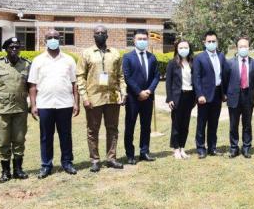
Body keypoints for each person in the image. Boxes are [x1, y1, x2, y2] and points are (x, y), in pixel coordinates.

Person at [28, 29, 79, 179]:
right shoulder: (38, 60)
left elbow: (74, 83)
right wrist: (33, 105)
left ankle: (67, 163)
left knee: (66, 135)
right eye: (49, 37)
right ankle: (46, 165)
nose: (53, 39)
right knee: (46, 136)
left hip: (65, 104)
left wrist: (76, 103)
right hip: (44, 104)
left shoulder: (69, 60)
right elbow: (32, 85)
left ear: (60, 39)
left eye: (55, 37)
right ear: (45, 40)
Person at [76, 26, 126, 173]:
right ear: (93, 36)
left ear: (107, 35)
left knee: (112, 129)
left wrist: (123, 93)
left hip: (112, 97)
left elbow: (120, 76)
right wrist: (84, 97)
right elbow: (80, 77)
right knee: (93, 130)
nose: (100, 35)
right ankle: (95, 160)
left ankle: (111, 158)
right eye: (97, 33)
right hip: (93, 98)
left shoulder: (115, 53)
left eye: (102, 33)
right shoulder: (86, 54)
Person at [0, 37, 31, 183]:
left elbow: (32, 86)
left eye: (17, 47)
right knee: (3, 141)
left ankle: (18, 170)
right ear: (6, 49)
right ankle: (5, 172)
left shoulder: (27, 64)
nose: (14, 49)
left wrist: (33, 104)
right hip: (1, 110)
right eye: (11, 47)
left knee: (19, 140)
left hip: (20, 109)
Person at [122, 29, 161, 165]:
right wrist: (139, 92)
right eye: (140, 39)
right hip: (133, 98)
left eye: (145, 39)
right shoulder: (128, 57)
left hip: (148, 98)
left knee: (146, 126)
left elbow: (156, 76)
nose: (143, 41)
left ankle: (144, 152)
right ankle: (130, 154)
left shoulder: (152, 57)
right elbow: (128, 77)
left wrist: (149, 91)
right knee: (130, 126)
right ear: (134, 40)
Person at [192, 30, 227, 158]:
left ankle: (212, 147)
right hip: (204, 96)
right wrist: (199, 94)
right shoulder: (199, 58)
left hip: (218, 94)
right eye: (209, 41)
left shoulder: (221, 56)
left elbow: (224, 75)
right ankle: (201, 148)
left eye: (214, 41)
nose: (212, 43)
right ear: (204, 42)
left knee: (214, 122)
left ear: (217, 42)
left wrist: (225, 92)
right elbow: (196, 78)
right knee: (201, 123)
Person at [224, 37, 254, 158]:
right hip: (233, 97)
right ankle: (234, 148)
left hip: (248, 97)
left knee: (247, 124)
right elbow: (225, 80)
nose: (243, 48)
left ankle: (246, 148)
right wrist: (225, 94)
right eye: (241, 46)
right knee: (233, 124)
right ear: (237, 48)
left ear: (248, 48)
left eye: (245, 46)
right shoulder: (229, 63)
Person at [165, 39, 196, 160]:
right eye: (181, 48)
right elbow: (168, 83)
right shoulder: (172, 63)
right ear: (177, 49)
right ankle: (176, 149)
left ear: (189, 49)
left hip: (190, 96)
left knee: (185, 124)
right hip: (178, 97)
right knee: (176, 124)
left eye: (186, 47)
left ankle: (182, 148)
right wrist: (170, 98)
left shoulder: (193, 62)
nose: (184, 50)